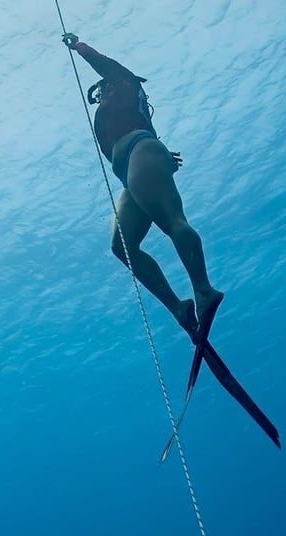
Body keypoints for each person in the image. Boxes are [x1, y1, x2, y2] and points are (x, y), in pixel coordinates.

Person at [62, 32, 224, 341]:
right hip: (129, 169)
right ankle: (179, 308)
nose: (101, 93)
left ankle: (204, 290)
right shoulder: (114, 108)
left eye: (102, 87)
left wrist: (78, 46)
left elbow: (102, 63)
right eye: (98, 93)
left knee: (172, 221)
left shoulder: (125, 81)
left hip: (140, 150)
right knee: (122, 246)